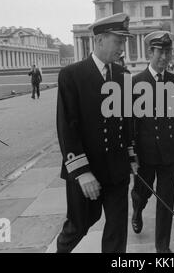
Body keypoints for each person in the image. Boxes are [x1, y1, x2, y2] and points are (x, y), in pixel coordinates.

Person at [56, 13, 139, 253]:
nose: (122, 48)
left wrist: (131, 157)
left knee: (116, 232)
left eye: (124, 42)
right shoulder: (72, 75)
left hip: (117, 170)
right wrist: (82, 173)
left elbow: (126, 122)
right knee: (77, 228)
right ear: (100, 40)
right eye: (118, 41)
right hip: (87, 171)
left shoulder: (123, 76)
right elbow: (66, 128)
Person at [131, 31, 174, 253]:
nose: (164, 56)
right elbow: (131, 123)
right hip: (145, 153)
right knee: (143, 193)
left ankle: (162, 246)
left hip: (170, 154)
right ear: (150, 52)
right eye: (160, 51)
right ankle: (137, 209)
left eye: (167, 51)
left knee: (166, 202)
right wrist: (132, 154)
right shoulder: (134, 83)